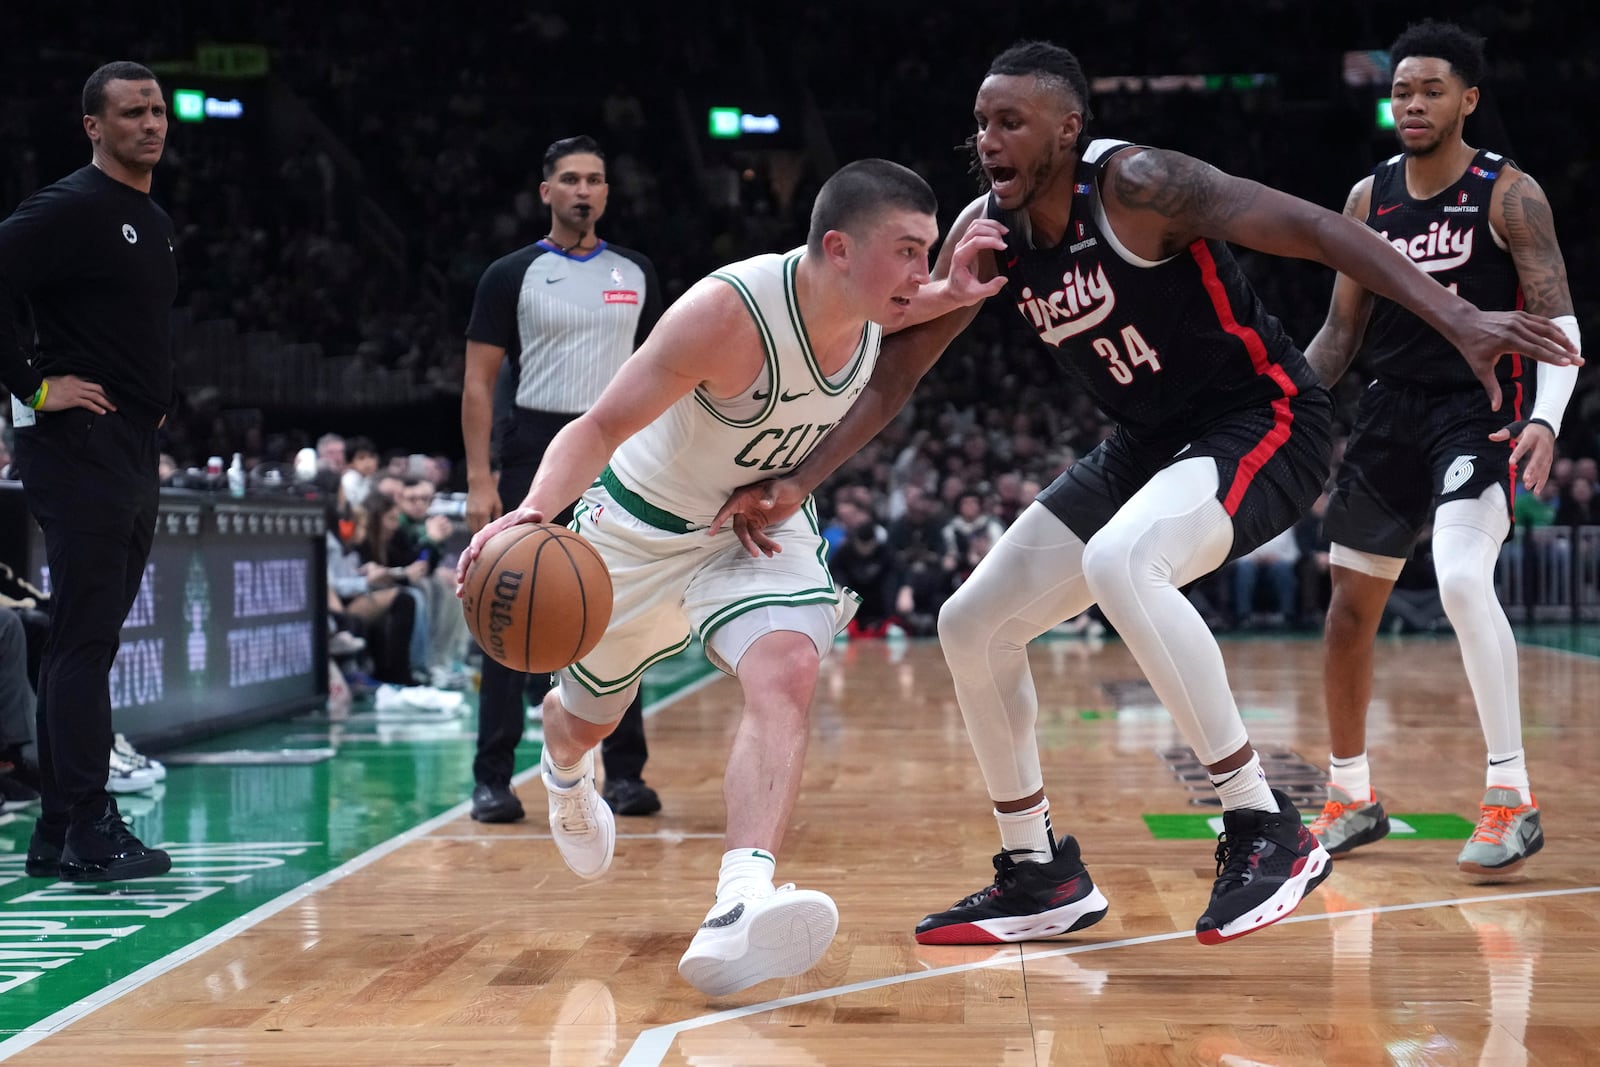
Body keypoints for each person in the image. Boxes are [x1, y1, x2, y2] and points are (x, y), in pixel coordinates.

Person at [712, 41, 1578, 946]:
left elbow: (1320, 230)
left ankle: (1264, 826)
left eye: (1010, 122)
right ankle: (1040, 871)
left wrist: (1458, 315)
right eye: (980, 124)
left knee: (1124, 559)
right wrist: (800, 476)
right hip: (1147, 445)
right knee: (970, 622)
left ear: (1068, 127)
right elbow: (895, 376)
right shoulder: (990, 232)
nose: (988, 140)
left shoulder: (1139, 184)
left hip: (1266, 416)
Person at [459, 158, 1001, 995]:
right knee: (582, 720)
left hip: (751, 528)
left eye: (928, 250)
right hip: (637, 535)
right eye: (907, 251)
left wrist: (958, 289)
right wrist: (531, 512)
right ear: (838, 248)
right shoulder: (726, 314)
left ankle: (740, 898)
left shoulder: (874, 304)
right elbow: (599, 424)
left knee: (787, 667)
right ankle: (565, 773)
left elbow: (923, 303)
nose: (920, 272)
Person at [1303, 21, 1580, 878]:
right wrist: (1277, 403)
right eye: (1400, 90)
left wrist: (1546, 420)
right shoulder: (1367, 198)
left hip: (1480, 411)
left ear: (1467, 99)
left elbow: (1561, 325)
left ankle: (1512, 796)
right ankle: (1350, 796)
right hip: (1388, 411)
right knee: (1349, 611)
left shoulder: (1509, 193)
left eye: (1429, 89)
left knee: (1462, 577)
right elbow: (1340, 333)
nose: (1412, 102)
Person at [0, 61, 181, 881]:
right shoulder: (72, 206)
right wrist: (34, 385)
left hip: (127, 445)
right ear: (92, 127)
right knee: (83, 638)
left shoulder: (149, 216)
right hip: (79, 446)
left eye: (157, 110)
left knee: (84, 637)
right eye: (133, 112)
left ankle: (57, 828)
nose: (151, 123)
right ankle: (90, 825)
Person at [460, 135, 664, 823]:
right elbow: (479, 385)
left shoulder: (637, 272)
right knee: (506, 610)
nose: (584, 191)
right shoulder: (508, 274)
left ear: (608, 193)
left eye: (596, 180)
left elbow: (661, 376)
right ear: (545, 191)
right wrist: (479, 477)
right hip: (532, 450)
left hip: (620, 452)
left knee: (620, 609)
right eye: (570, 179)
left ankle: (625, 773)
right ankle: (493, 776)